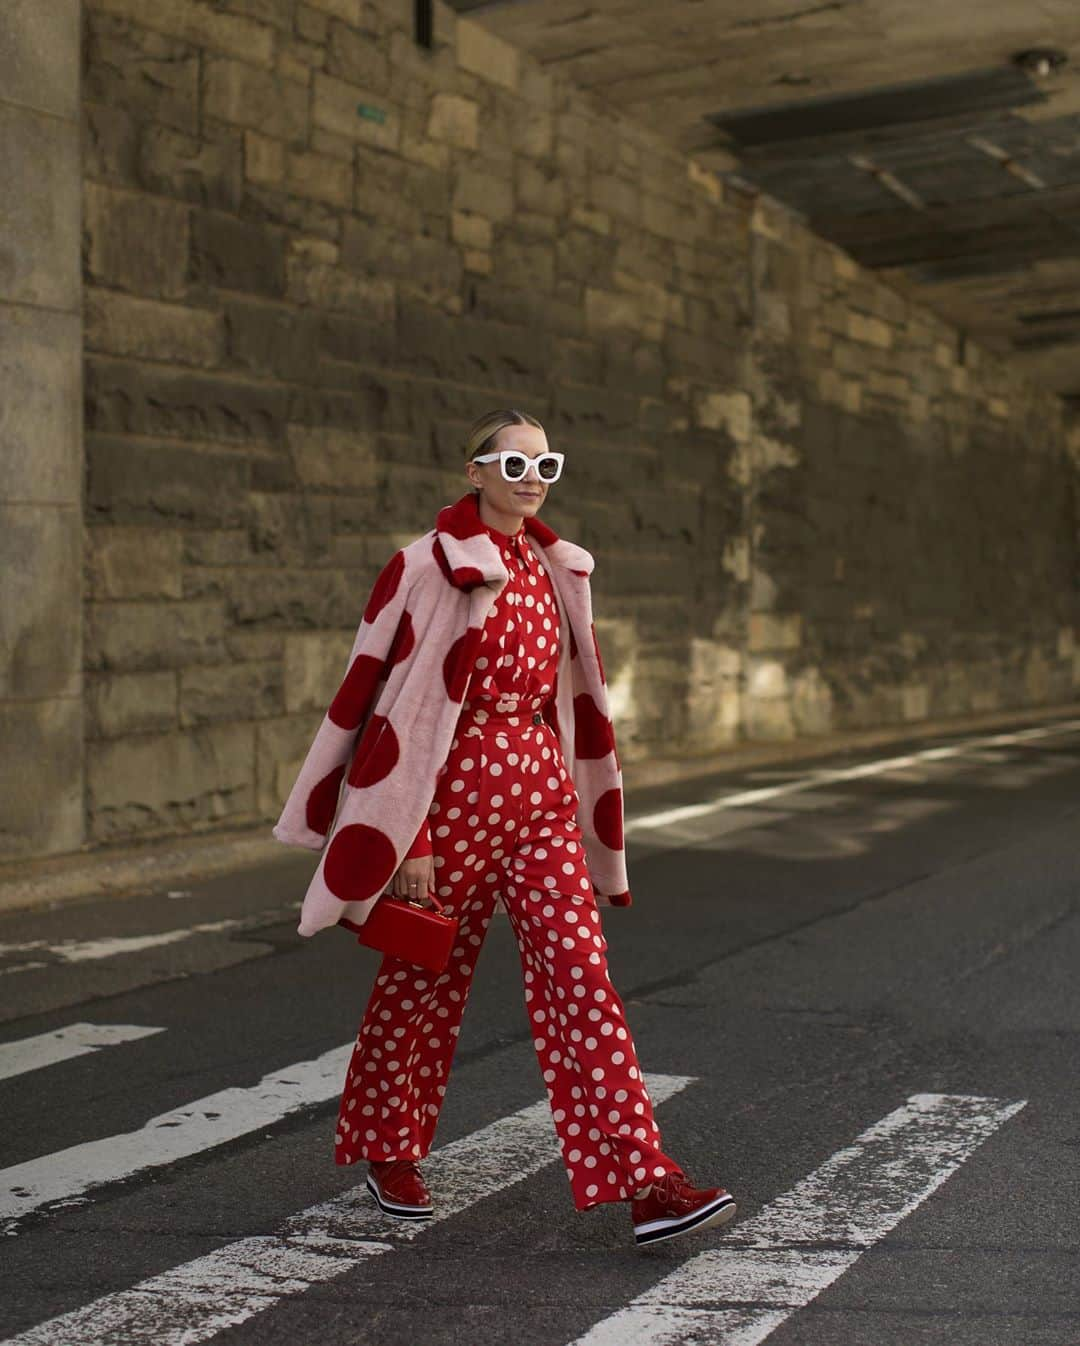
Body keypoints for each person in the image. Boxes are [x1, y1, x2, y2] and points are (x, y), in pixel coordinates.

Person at [330, 409, 737, 1247]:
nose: (531, 476)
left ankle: (647, 1180)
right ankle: (388, 1146)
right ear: (473, 471)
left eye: (544, 462)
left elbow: (567, 694)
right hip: (446, 799)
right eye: (510, 462)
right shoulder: (424, 565)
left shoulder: (554, 566)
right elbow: (387, 703)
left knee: (582, 977)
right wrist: (408, 837)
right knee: (421, 979)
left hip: (540, 794)